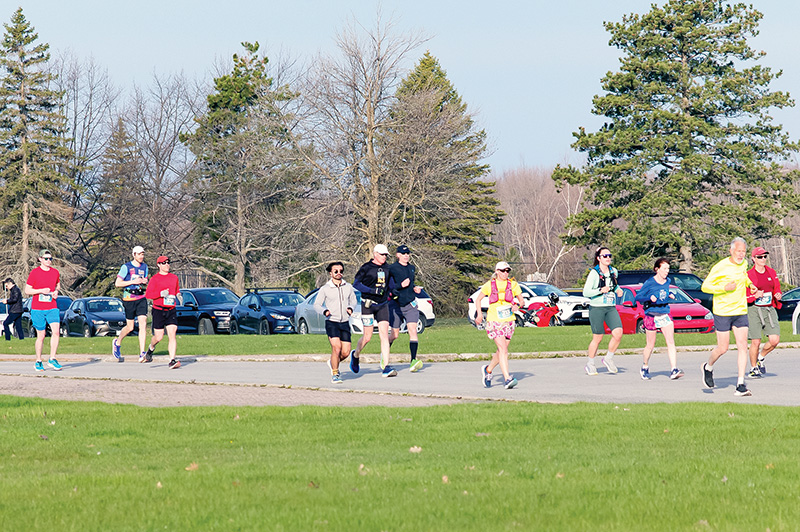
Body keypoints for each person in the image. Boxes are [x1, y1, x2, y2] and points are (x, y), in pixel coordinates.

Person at [701, 237, 756, 397]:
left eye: (744, 252)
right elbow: (705, 287)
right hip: (723, 311)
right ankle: (708, 366)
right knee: (723, 348)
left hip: (740, 310)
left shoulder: (744, 264)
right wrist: (724, 288)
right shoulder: (721, 267)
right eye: (738, 251)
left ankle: (740, 384)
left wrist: (750, 284)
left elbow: (744, 276)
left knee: (742, 345)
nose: (741, 255)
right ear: (731, 251)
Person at [474, 261, 525, 389]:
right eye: (503, 271)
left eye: (507, 271)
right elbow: (478, 299)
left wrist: (517, 306)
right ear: (497, 271)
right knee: (503, 349)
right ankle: (507, 379)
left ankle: (488, 370)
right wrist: (479, 315)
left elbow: (522, 301)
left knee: (501, 350)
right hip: (494, 320)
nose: (505, 273)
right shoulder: (489, 285)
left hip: (508, 321)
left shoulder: (513, 285)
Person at [634, 258, 683, 380]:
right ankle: (644, 367)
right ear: (657, 269)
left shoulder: (668, 281)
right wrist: (649, 298)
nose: (667, 271)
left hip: (664, 313)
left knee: (671, 342)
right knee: (650, 345)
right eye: (664, 268)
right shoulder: (650, 283)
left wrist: (671, 295)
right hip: (651, 315)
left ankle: (674, 369)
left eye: (668, 268)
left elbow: (664, 293)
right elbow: (638, 297)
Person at [351, 244, 395, 377]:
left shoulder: (388, 268)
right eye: (382, 255)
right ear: (375, 254)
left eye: (386, 255)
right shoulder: (366, 268)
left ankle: (386, 366)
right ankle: (356, 354)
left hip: (382, 305)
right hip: (368, 305)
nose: (384, 257)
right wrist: (371, 290)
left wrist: (394, 292)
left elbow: (391, 284)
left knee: (384, 335)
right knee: (367, 337)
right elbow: (356, 284)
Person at [582, 246, 624, 375]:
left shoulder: (613, 271)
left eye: (609, 256)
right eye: (605, 256)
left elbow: (614, 285)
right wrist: (600, 290)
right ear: (598, 258)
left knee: (618, 333)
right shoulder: (594, 273)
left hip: (610, 307)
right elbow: (586, 292)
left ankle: (608, 358)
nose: (608, 258)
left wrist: (618, 290)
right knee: (598, 337)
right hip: (597, 308)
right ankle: (590, 363)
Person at [315, 261, 358, 383]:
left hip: (344, 322)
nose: (339, 273)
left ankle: (332, 362)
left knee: (345, 352)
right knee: (336, 348)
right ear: (330, 273)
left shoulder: (348, 287)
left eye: (341, 271)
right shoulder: (325, 289)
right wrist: (325, 311)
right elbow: (317, 305)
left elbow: (354, 301)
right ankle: (335, 373)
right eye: (336, 271)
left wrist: (351, 308)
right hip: (332, 322)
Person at [24, 250, 63, 371]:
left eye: (50, 259)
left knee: (56, 332)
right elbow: (27, 290)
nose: (49, 261)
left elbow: (58, 285)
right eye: (46, 258)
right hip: (38, 308)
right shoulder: (34, 273)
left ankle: (52, 358)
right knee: (41, 335)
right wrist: (41, 290)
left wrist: (56, 292)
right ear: (40, 259)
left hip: (52, 306)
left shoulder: (55, 272)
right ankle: (38, 360)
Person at [746, 246, 781, 378]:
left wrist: (777, 294)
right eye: (760, 257)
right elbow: (745, 295)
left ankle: (761, 357)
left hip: (769, 308)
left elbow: (776, 288)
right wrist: (754, 296)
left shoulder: (771, 272)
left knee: (774, 340)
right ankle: (753, 368)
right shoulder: (748, 275)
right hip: (754, 309)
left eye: (765, 256)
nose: (763, 259)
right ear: (753, 259)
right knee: (756, 341)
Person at [388, 245, 423, 373]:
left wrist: (414, 288)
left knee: (412, 330)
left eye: (408, 253)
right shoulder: (392, 268)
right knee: (394, 335)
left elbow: (410, 284)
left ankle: (413, 360)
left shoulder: (412, 268)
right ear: (398, 255)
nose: (406, 255)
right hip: (396, 305)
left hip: (410, 304)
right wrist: (400, 286)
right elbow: (390, 288)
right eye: (403, 253)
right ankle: (384, 355)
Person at [113, 246, 149, 363]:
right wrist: (133, 281)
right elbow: (118, 283)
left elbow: (145, 279)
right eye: (139, 254)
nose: (141, 256)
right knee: (130, 327)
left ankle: (142, 352)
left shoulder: (145, 267)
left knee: (143, 324)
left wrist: (144, 281)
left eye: (142, 254)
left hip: (141, 297)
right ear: (134, 254)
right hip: (129, 298)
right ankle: (117, 343)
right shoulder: (126, 267)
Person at [144, 255, 181, 369]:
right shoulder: (155, 279)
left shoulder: (174, 277)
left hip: (171, 309)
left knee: (172, 333)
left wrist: (179, 295)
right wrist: (160, 294)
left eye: (168, 262)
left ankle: (172, 360)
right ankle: (150, 349)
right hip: (158, 310)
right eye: (164, 263)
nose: (167, 265)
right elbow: (148, 295)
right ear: (158, 265)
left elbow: (176, 290)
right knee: (159, 337)